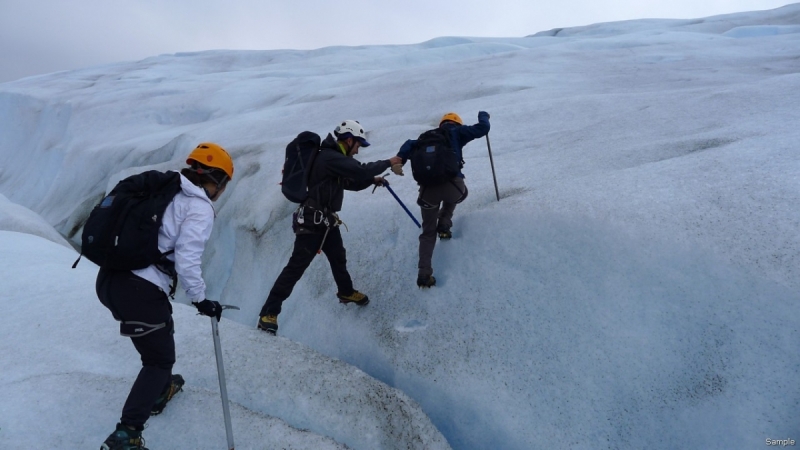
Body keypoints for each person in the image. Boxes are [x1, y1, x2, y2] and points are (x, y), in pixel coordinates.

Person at [97, 143, 234, 450]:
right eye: (223, 185)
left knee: (160, 329)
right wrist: (201, 299)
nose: (221, 192)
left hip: (110, 279)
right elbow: (187, 259)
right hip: (139, 288)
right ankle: (127, 435)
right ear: (216, 181)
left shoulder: (162, 187)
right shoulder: (198, 206)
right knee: (159, 359)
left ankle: (160, 389)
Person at [257, 120, 402, 335]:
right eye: (358, 144)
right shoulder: (329, 157)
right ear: (349, 140)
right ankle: (268, 313)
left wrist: (373, 180)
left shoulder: (334, 160)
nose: (358, 150)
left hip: (325, 223)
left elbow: (349, 182)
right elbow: (359, 170)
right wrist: (389, 162)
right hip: (312, 224)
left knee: (338, 257)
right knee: (295, 268)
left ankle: (346, 292)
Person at [392, 111, 490, 288]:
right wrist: (484, 116)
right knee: (460, 194)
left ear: (441, 124)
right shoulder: (457, 133)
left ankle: (424, 274)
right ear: (457, 124)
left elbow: (408, 144)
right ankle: (445, 223)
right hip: (453, 188)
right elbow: (483, 128)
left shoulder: (423, 139)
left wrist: (399, 160)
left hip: (427, 193)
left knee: (428, 233)